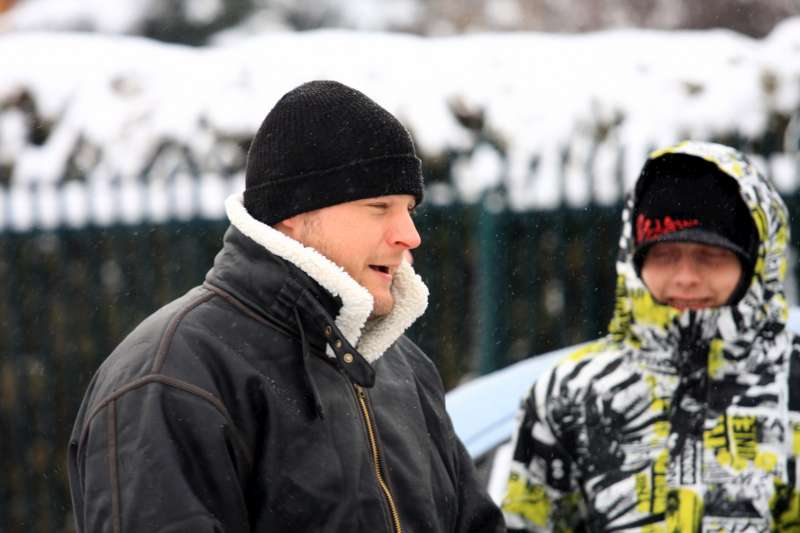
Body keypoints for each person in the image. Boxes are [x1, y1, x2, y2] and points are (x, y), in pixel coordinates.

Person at [68, 80, 505, 533]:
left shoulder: (404, 369)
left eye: (409, 209)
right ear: (293, 214)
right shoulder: (170, 377)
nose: (409, 235)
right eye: (380, 207)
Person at [501, 140, 800, 532]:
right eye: (664, 255)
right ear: (634, 259)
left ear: (756, 263)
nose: (686, 277)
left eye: (710, 255)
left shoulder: (792, 384)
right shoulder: (571, 394)